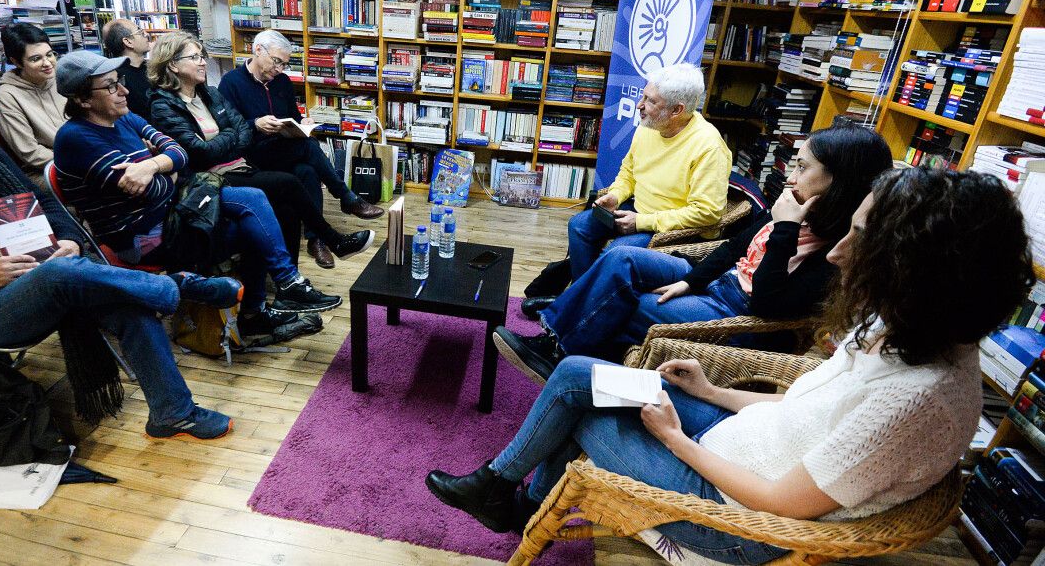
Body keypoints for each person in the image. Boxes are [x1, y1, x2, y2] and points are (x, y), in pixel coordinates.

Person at [427, 167, 1035, 563]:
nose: (841, 254)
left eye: (861, 240)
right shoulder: (906, 328)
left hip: (732, 514)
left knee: (584, 412)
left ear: (920, 270)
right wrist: (714, 391)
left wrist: (674, 438)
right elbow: (804, 410)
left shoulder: (919, 400)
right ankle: (503, 490)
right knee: (578, 373)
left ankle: (512, 498)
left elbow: (782, 502)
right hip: (731, 441)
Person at [0, 44, 240, 439]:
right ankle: (175, 285)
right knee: (61, 274)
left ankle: (172, 412)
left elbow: (44, 201)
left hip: (39, 275)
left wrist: (67, 238)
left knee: (121, 297)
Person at [496, 121, 891, 380]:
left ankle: (559, 352)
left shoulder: (842, 246)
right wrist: (690, 279)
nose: (791, 175)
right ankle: (556, 340)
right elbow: (736, 247)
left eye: (803, 167)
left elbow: (770, 303)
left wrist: (784, 227)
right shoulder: (802, 204)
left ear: (839, 179)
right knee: (620, 258)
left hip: (736, 312)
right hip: (717, 283)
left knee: (623, 302)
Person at [51, 50, 342, 341]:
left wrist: (152, 165)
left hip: (173, 213)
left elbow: (178, 152)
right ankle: (263, 306)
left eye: (121, 81)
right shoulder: (77, 138)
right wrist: (168, 172)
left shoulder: (124, 119)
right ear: (83, 99)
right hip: (143, 237)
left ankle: (283, 288)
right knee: (255, 221)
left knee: (255, 200)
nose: (125, 90)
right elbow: (158, 188)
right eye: (112, 86)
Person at [147, 32, 374, 266]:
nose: (204, 61)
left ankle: (301, 264)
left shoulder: (210, 94)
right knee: (295, 173)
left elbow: (239, 134)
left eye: (202, 55)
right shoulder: (171, 103)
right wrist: (242, 130)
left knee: (304, 172)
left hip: (245, 162)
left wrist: (294, 124)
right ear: (173, 64)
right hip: (217, 173)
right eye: (195, 57)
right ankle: (338, 225)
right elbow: (203, 150)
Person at [218, 28, 384, 269]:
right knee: (307, 148)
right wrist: (255, 124)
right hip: (252, 154)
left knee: (307, 170)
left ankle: (316, 240)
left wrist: (302, 122)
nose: (280, 69)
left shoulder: (282, 82)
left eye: (284, 64)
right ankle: (346, 197)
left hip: (282, 149)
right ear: (257, 50)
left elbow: (292, 117)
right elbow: (227, 130)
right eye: (276, 62)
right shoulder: (231, 83)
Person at [565, 63, 731, 281]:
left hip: (671, 228)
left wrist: (642, 222)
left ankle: (582, 302)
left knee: (614, 255)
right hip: (638, 209)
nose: (638, 106)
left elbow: (707, 213)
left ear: (676, 110)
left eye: (650, 101)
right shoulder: (649, 126)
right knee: (578, 227)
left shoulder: (709, 146)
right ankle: (582, 298)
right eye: (643, 96)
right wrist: (616, 195)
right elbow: (629, 172)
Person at [0, 23, 66, 188]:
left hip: (82, 156)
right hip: (44, 170)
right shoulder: (6, 96)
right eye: (36, 59)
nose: (47, 63)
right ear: (16, 62)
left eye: (50, 54)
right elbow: (31, 154)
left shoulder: (60, 78)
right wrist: (78, 159)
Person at [101, 18, 151, 120]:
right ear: (128, 42)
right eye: (140, 32)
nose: (146, 35)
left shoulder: (154, 68)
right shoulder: (114, 77)